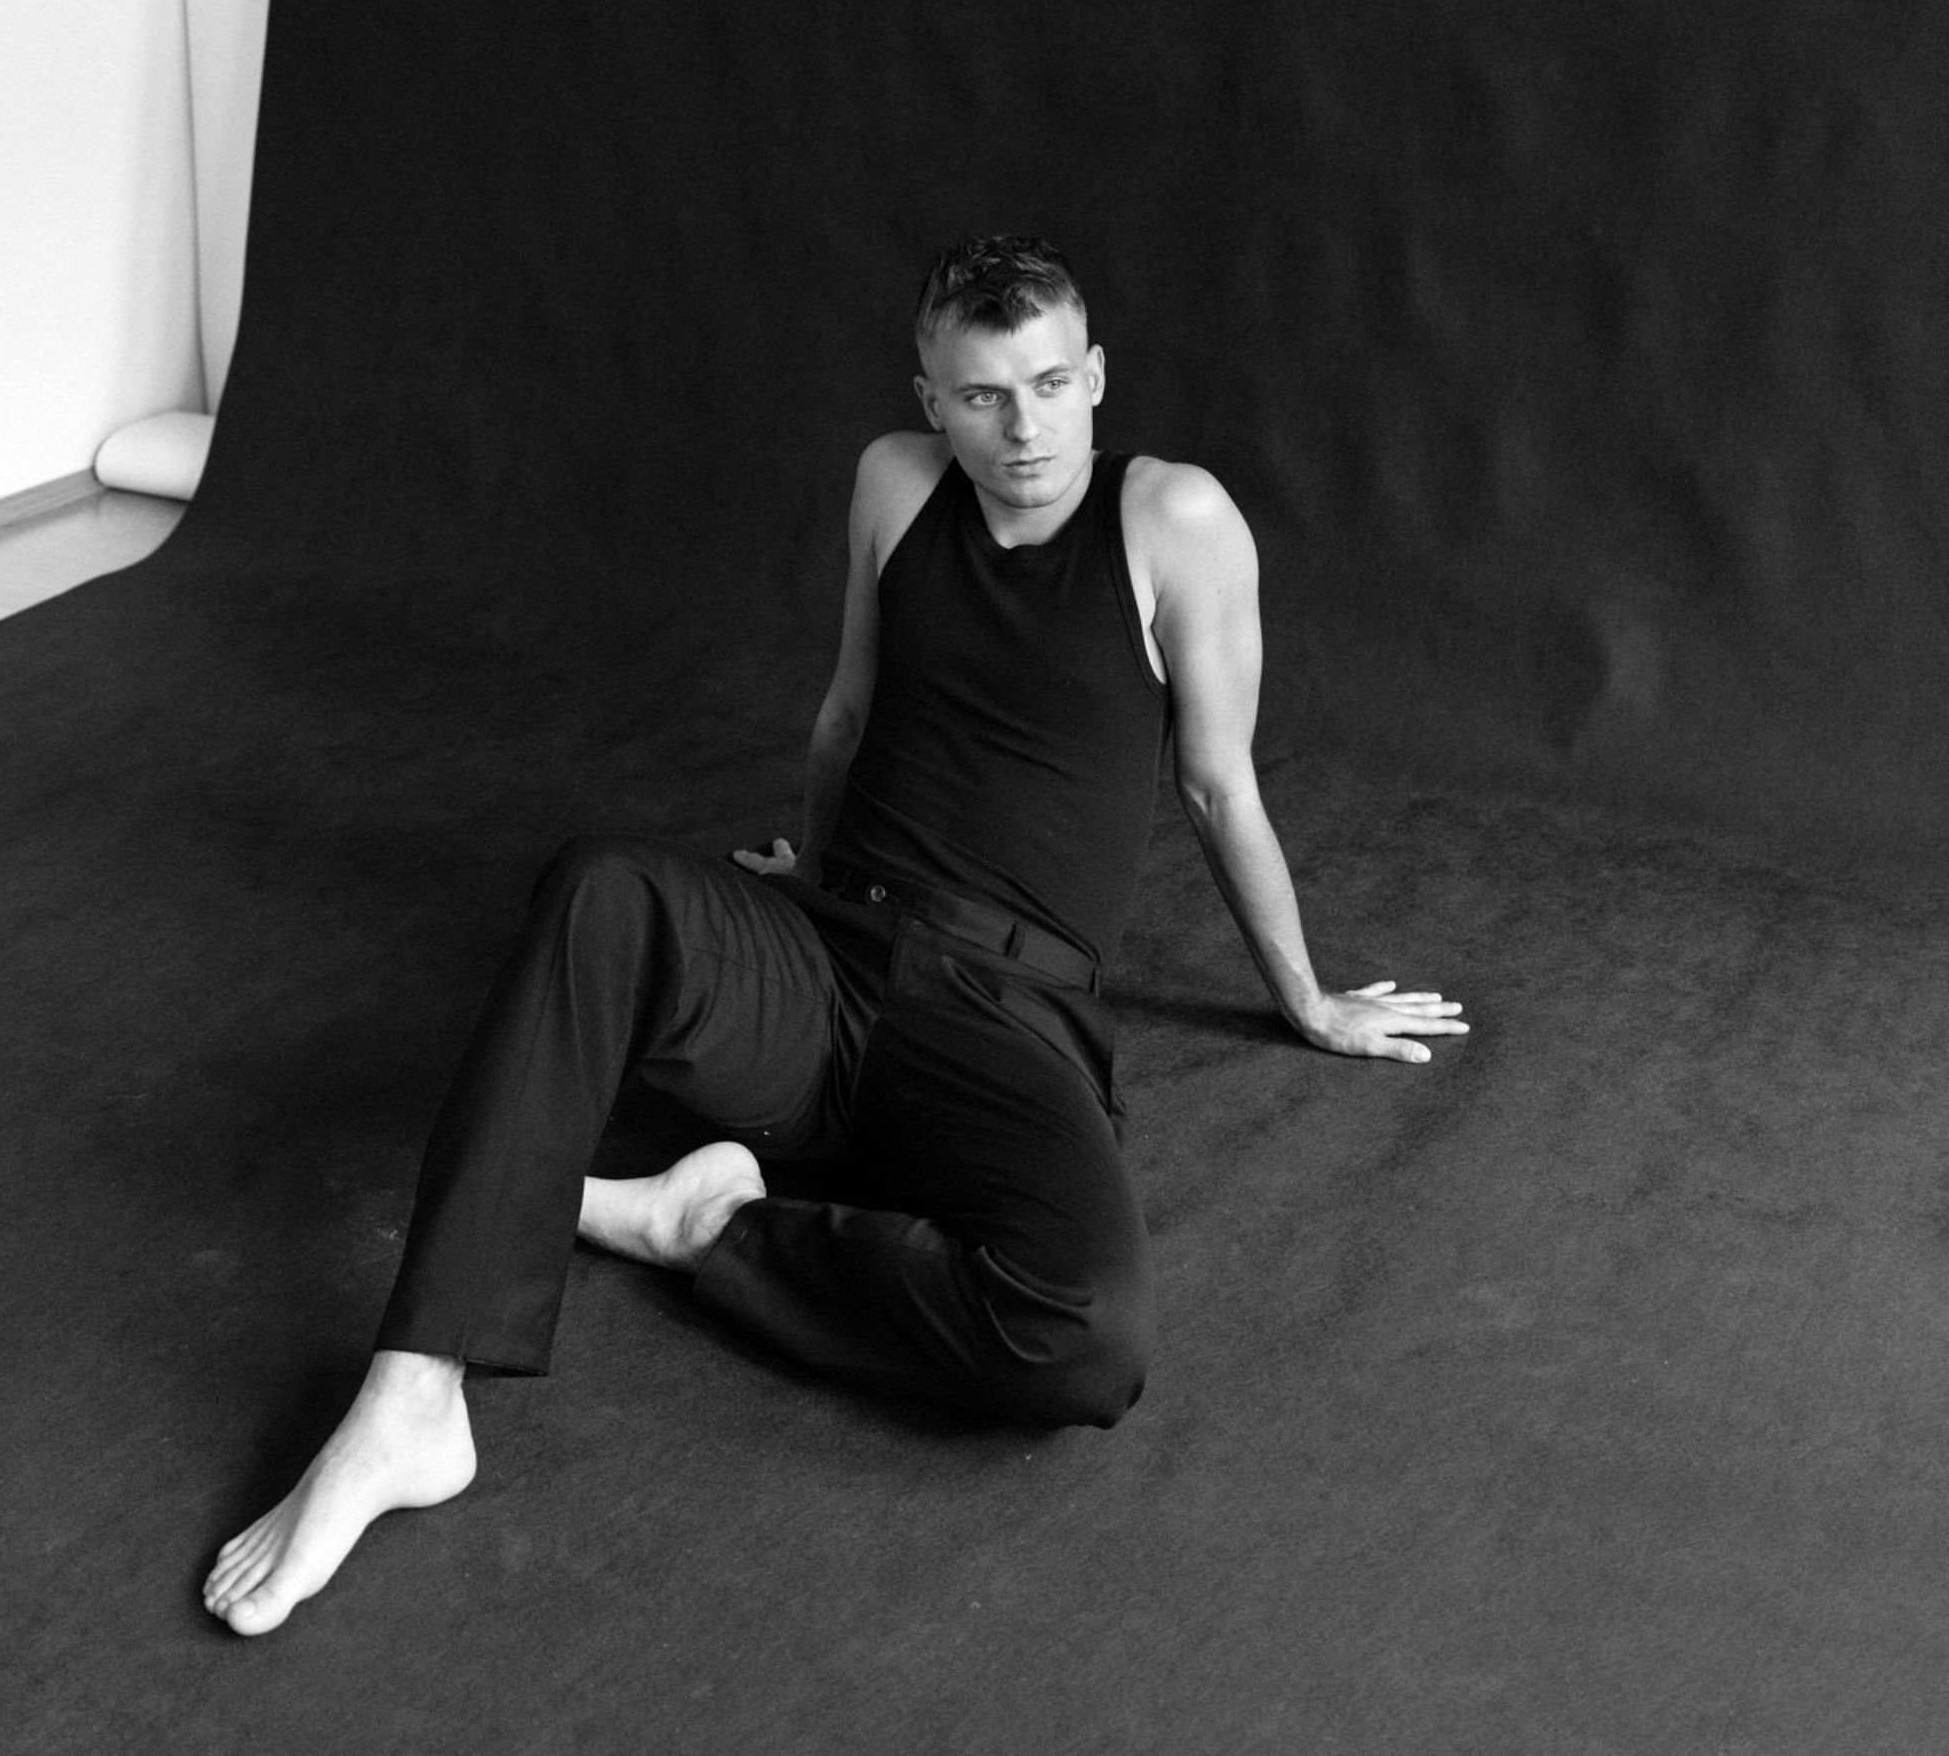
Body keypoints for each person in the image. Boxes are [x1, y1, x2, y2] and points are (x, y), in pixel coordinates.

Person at [203, 234, 1468, 1635]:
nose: (1025, 426)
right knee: (599, 886)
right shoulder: (895, 484)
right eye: (983, 395)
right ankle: (411, 1400)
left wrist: (1307, 999)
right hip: (826, 960)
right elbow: (849, 715)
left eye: (1051, 385)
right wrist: (798, 879)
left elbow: (1219, 785)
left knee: (1086, 1340)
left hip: (1007, 1012)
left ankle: (707, 1225)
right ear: (931, 400)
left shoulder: (1174, 520)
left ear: (1097, 376)